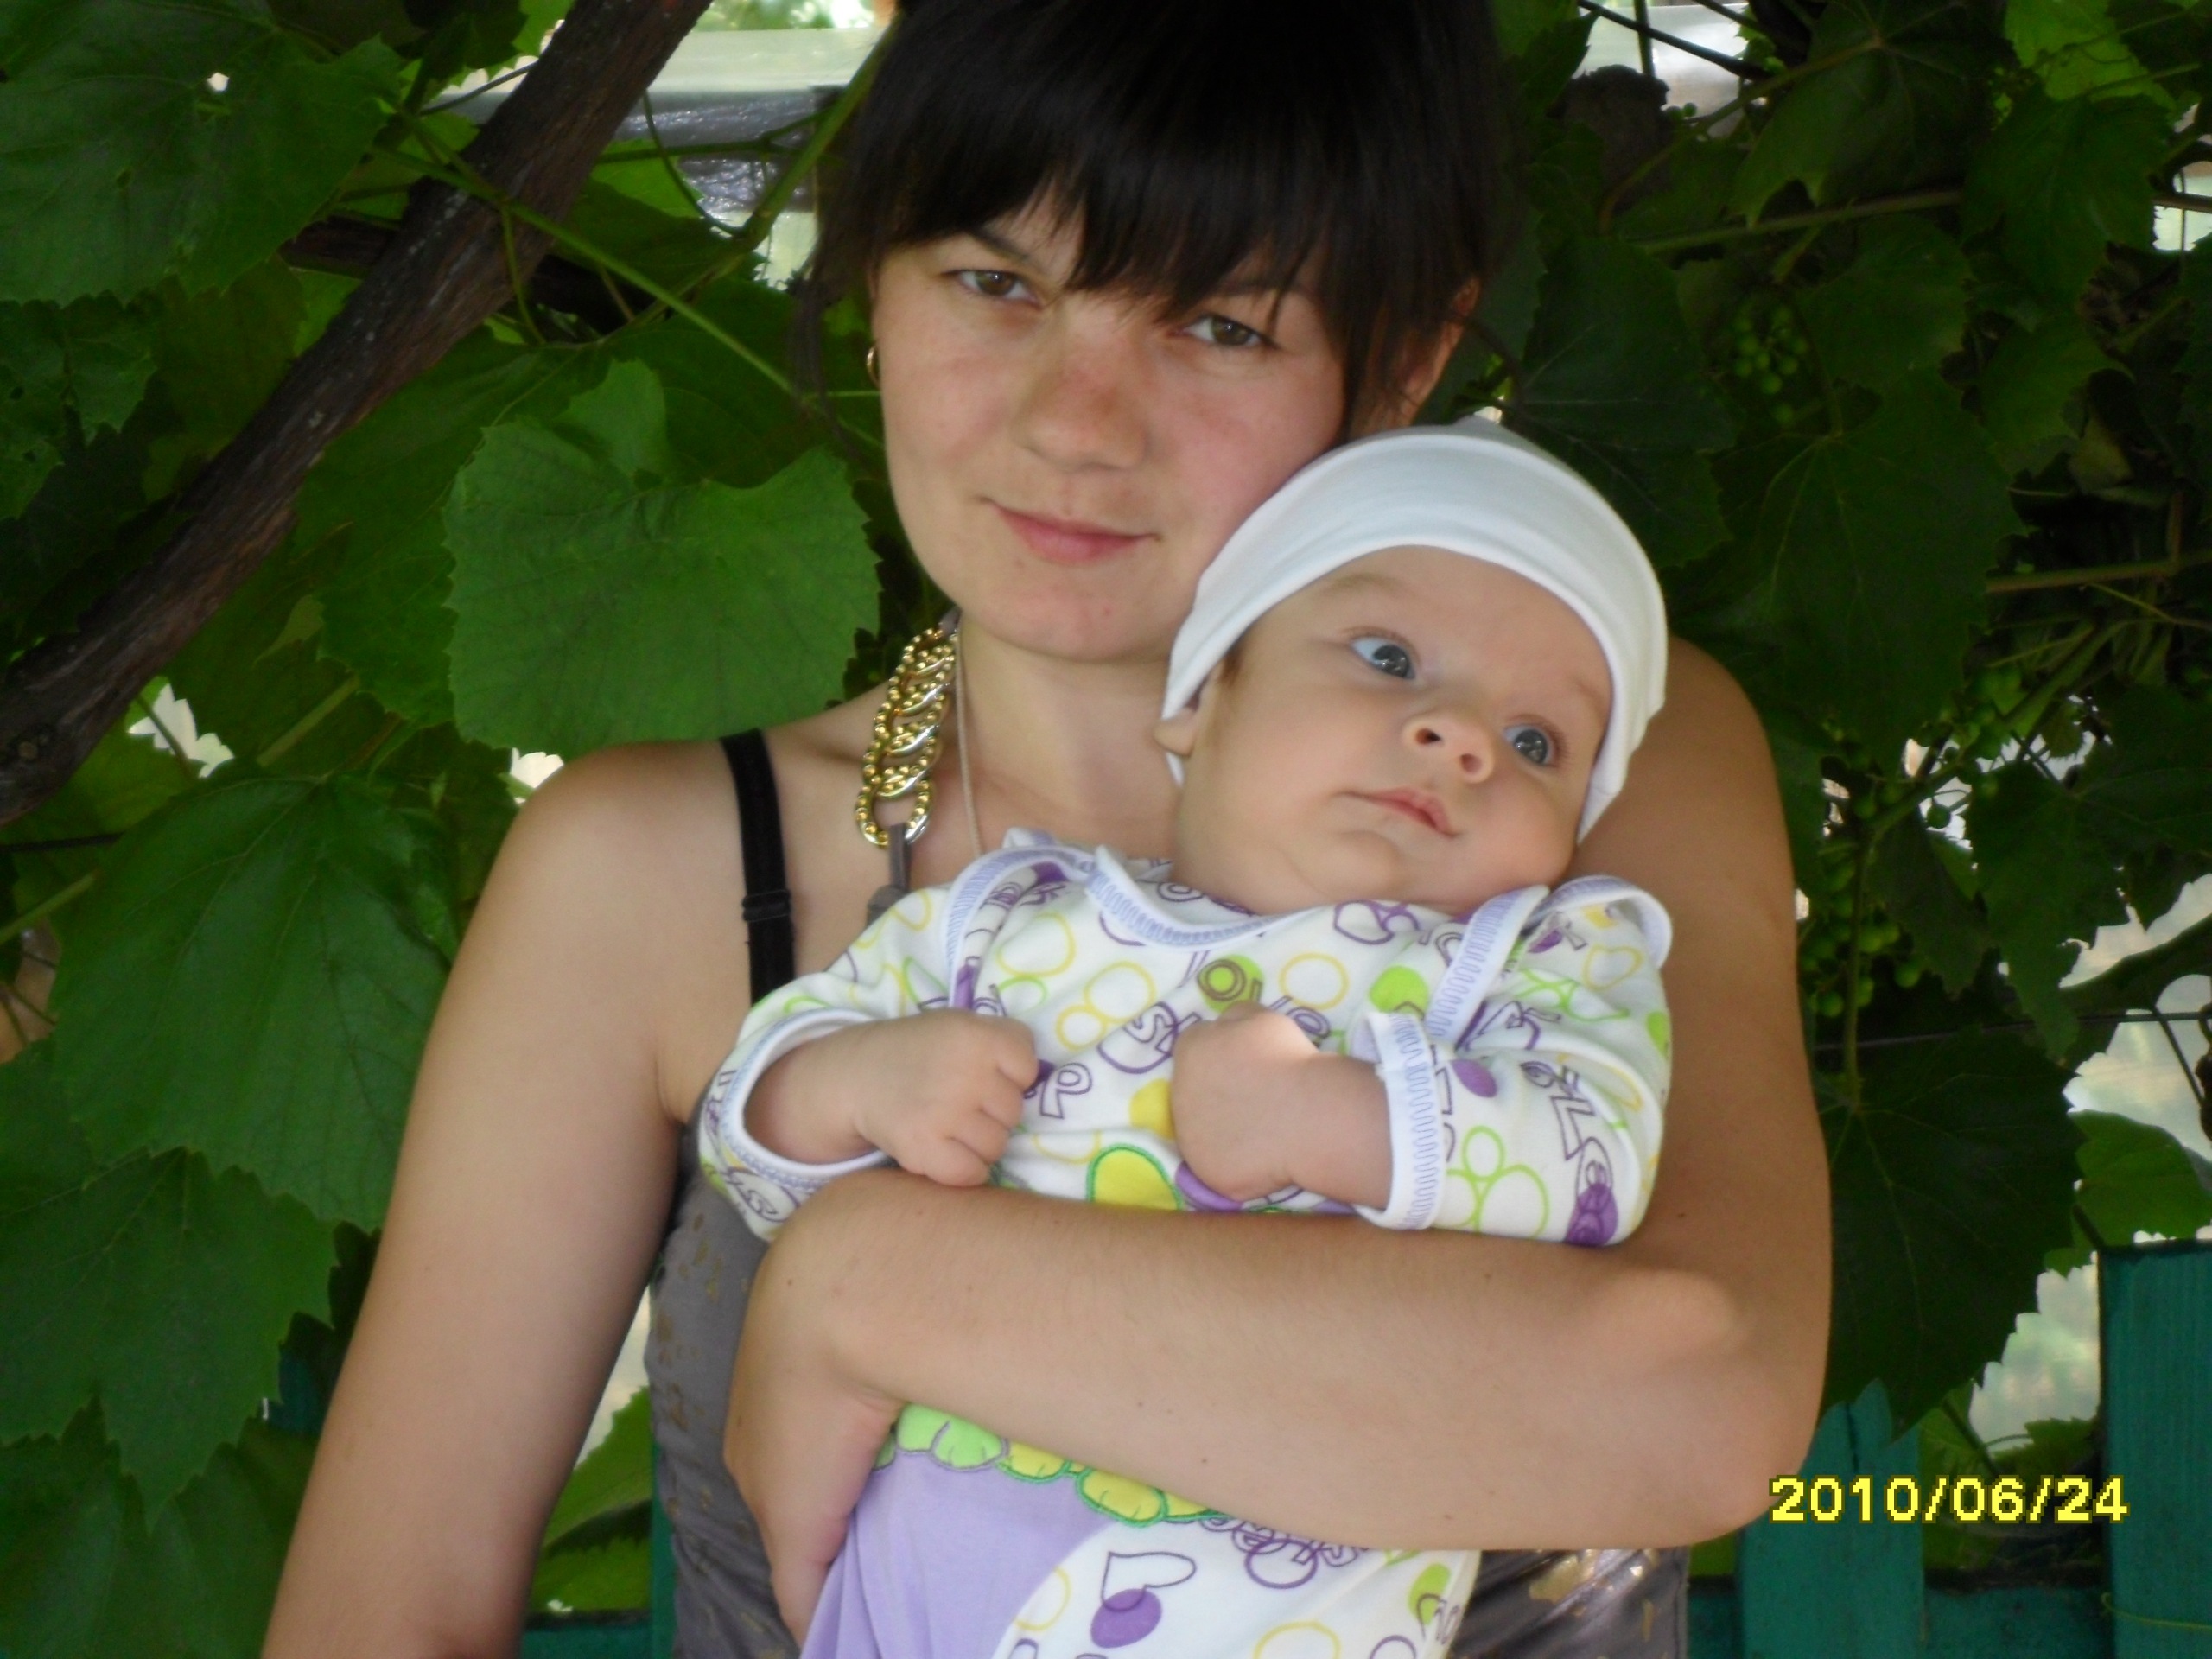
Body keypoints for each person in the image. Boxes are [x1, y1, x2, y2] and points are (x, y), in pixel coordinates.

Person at [264, 2, 1829, 1654]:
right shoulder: (666, 872)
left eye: (1221, 324)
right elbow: (382, 1616)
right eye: (993, 282)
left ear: (1405, 361)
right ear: (871, 281)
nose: (1078, 423)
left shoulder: (1584, 772)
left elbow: (1696, 1410)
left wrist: (869, 1283)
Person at [702, 415, 1676, 1657]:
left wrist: (1339, 1122)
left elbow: (1596, 1158)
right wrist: (852, 1083)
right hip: (918, 1599)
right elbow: (750, 1139)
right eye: (1387, 658)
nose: (1463, 737)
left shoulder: (1528, 965)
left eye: (1538, 743)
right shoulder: (1009, 915)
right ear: (1203, 697)